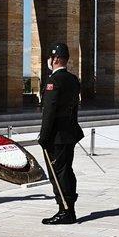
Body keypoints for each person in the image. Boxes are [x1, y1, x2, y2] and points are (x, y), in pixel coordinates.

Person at [37, 42, 84, 225]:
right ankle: (70, 207)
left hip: (56, 135)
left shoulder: (54, 81)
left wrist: (44, 136)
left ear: (55, 59)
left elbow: (49, 112)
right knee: (66, 170)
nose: (49, 61)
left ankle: (65, 210)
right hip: (69, 132)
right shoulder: (73, 79)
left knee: (58, 173)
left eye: (50, 58)